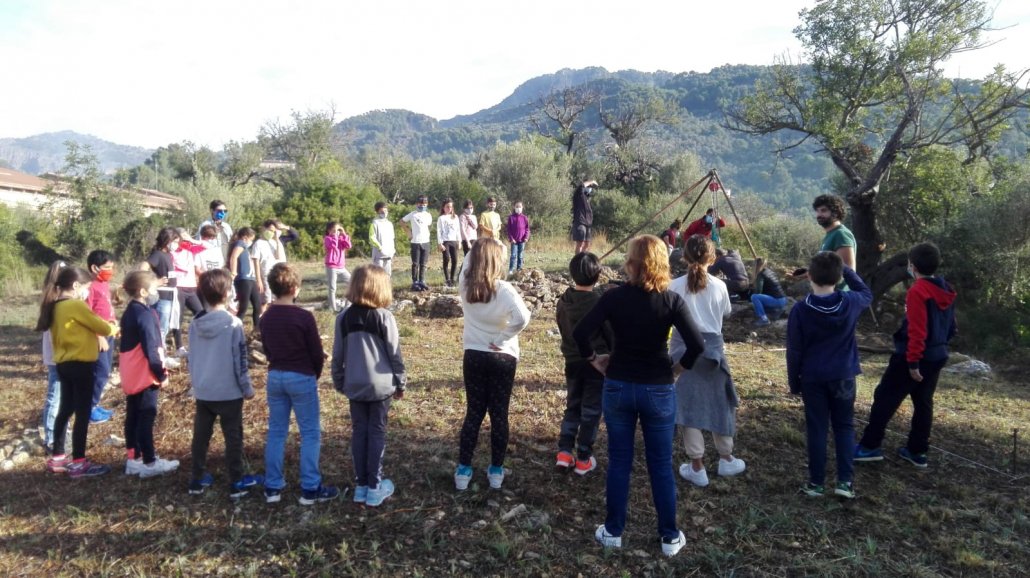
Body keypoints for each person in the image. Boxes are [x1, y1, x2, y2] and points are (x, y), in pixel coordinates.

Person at [573, 235, 704, 558]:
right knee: (660, 464)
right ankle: (669, 537)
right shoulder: (671, 300)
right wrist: (677, 369)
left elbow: (580, 332)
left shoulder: (613, 297)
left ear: (631, 262)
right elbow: (697, 345)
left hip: (618, 385)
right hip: (658, 387)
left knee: (619, 461)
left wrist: (595, 359)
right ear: (662, 262)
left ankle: (613, 531)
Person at [855, 243, 957, 468]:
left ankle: (869, 446)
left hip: (914, 357)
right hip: (937, 355)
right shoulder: (946, 289)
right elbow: (952, 326)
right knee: (923, 402)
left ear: (912, 266)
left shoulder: (918, 291)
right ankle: (917, 451)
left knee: (885, 397)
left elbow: (917, 331)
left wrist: (913, 362)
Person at [786, 251, 872, 499]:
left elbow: (794, 351)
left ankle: (816, 483)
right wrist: (846, 268)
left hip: (813, 378)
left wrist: (794, 382)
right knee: (844, 426)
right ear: (838, 277)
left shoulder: (800, 310)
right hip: (844, 376)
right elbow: (866, 292)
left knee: (817, 428)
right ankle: (845, 482)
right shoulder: (850, 302)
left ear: (809, 276)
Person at [454, 238, 531, 491]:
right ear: (498, 260)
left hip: (474, 355)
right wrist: (502, 338)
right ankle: (496, 471)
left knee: (474, 412)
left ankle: (463, 470)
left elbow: (467, 262)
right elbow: (523, 317)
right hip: (502, 357)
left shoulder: (465, 286)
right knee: (499, 414)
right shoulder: (504, 289)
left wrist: (478, 247)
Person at [259, 263, 339, 505]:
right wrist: (314, 373)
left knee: (276, 431)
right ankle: (310, 487)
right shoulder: (303, 317)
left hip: (276, 375)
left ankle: (272, 486)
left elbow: (267, 349)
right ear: (295, 288)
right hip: (301, 376)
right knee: (310, 432)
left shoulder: (266, 317)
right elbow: (316, 352)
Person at [669, 235, 745, 487]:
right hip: (713, 350)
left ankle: (697, 465)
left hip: (682, 348)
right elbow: (726, 313)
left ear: (684, 256)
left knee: (688, 403)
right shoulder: (720, 286)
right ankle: (726, 457)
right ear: (712, 258)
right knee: (719, 402)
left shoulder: (673, 285)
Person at [331, 265, 407, 507]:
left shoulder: (343, 318)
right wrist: (401, 382)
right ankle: (375, 486)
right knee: (376, 431)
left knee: (359, 431)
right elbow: (395, 354)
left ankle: (361, 486)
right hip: (381, 386)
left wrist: (339, 381)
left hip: (354, 384)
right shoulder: (384, 317)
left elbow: (337, 355)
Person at [188, 269, 262, 499]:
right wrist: (246, 387)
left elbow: (192, 357)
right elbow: (239, 359)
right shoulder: (233, 323)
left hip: (204, 390)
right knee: (233, 437)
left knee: (201, 436)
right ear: (228, 293)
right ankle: (236, 481)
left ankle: (196, 479)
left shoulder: (195, 323)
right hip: (229, 392)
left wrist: (195, 383)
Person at [37, 266, 118, 478]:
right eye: (86, 287)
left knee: (65, 409)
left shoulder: (55, 306)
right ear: (75, 286)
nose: (87, 292)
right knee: (82, 413)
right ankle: (80, 462)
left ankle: (58, 457)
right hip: (81, 364)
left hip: (63, 364)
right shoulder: (75, 305)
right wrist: (114, 327)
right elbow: (101, 327)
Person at [555, 252, 612, 475]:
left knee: (573, 406)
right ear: (598, 275)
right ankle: (583, 458)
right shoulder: (599, 302)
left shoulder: (563, 301)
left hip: (571, 361)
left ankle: (564, 452)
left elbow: (562, 327)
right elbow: (609, 332)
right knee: (591, 411)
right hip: (596, 363)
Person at [118, 270, 179, 478]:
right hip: (145, 373)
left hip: (130, 371)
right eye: (154, 288)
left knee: (133, 415)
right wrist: (161, 373)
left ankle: (133, 458)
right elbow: (151, 348)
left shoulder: (130, 311)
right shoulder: (144, 314)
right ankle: (150, 462)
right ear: (143, 291)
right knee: (146, 415)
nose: (156, 292)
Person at [84, 249, 117, 424]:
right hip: (98, 336)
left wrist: (114, 324)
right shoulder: (89, 287)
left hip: (108, 332)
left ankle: (94, 404)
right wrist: (98, 335)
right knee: (101, 371)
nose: (110, 271)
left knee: (106, 370)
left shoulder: (104, 284)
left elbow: (105, 308)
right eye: (107, 267)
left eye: (111, 267)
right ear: (95, 268)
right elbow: (87, 314)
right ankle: (89, 408)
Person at [140, 227, 180, 367]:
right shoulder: (157, 254)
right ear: (168, 241)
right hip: (162, 297)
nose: (177, 244)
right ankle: (160, 357)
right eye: (175, 241)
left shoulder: (167, 255)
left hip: (169, 296)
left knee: (164, 328)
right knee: (160, 328)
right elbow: (143, 266)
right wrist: (154, 282)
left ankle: (161, 354)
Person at [38, 260, 67, 452]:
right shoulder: (54, 301)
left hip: (61, 356)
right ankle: (50, 438)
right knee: (55, 397)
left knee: (61, 397)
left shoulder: (53, 299)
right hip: (57, 357)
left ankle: (60, 432)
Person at [170, 228, 205, 357]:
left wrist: (191, 239)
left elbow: (206, 246)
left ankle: (202, 341)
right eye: (181, 236)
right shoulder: (172, 251)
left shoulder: (190, 249)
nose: (184, 238)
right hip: (178, 287)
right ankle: (179, 347)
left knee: (201, 313)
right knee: (178, 317)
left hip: (191, 287)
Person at [813, 194, 857, 280]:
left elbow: (848, 271)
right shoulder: (830, 235)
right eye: (817, 211)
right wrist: (809, 273)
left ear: (835, 213)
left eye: (823, 210)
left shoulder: (841, 234)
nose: (819, 215)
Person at [228, 227, 263, 328]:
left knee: (257, 305)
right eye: (251, 239)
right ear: (245, 237)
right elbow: (234, 257)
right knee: (243, 307)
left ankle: (257, 329)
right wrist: (234, 271)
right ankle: (235, 328)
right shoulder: (240, 243)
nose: (251, 241)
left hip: (250, 278)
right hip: (243, 278)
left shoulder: (245, 247)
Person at [401, 195, 433, 291]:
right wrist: (408, 232)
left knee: (423, 263)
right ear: (417, 204)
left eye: (424, 204)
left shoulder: (428, 215)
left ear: (427, 204)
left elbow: (429, 225)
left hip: (426, 242)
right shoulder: (413, 214)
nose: (422, 205)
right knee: (415, 263)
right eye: (420, 204)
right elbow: (402, 222)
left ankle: (422, 281)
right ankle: (415, 282)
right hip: (415, 242)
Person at [324, 221, 353, 312]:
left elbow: (348, 246)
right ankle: (333, 308)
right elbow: (333, 245)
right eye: (334, 230)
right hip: (332, 266)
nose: (336, 232)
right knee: (332, 288)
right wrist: (335, 235)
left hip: (341, 267)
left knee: (352, 283)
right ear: (329, 230)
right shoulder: (327, 238)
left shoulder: (340, 238)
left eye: (338, 230)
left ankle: (347, 305)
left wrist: (343, 234)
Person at [751, 258, 788, 326]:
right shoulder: (770, 271)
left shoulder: (761, 274)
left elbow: (758, 291)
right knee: (759, 304)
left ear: (756, 266)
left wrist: (751, 293)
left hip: (777, 300)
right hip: (783, 299)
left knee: (754, 297)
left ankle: (764, 319)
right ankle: (776, 312)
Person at [437, 198, 461, 287]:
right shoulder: (441, 218)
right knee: (446, 258)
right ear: (443, 207)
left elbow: (458, 230)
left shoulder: (455, 217)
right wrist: (440, 243)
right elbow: (439, 231)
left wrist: (459, 241)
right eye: (447, 207)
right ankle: (447, 279)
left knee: (455, 260)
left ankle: (452, 278)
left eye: (451, 207)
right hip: (445, 241)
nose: (449, 208)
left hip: (453, 241)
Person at [369, 201, 397, 278]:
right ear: (377, 212)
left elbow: (392, 238)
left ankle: (387, 286)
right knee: (378, 275)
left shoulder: (389, 224)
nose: (384, 213)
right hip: (379, 255)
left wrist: (393, 250)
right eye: (382, 211)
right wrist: (380, 248)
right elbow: (372, 238)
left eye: (385, 210)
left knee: (387, 275)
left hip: (388, 254)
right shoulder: (374, 223)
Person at [571, 180, 597, 254]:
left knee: (587, 244)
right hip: (580, 222)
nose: (590, 188)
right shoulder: (578, 194)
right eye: (589, 187)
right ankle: (578, 259)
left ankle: (583, 258)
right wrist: (592, 181)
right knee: (580, 243)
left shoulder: (586, 198)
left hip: (588, 224)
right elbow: (581, 186)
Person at [506, 201, 531, 275]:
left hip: (522, 240)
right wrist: (511, 239)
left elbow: (527, 229)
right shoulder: (511, 217)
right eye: (517, 207)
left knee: (520, 256)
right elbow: (509, 230)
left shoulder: (524, 218)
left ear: (522, 207)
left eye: (520, 207)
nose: (518, 208)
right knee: (513, 255)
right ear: (514, 207)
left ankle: (519, 269)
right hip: (514, 241)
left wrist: (526, 237)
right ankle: (511, 270)